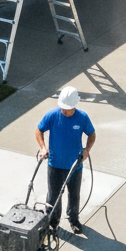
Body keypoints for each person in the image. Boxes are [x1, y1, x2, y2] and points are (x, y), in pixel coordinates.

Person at [35, 85, 96, 235]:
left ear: (75, 105)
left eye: (68, 108)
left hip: (75, 165)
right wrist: (43, 147)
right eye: (63, 107)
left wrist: (87, 149)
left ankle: (73, 219)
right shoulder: (53, 115)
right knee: (53, 195)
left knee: (74, 194)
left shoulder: (82, 117)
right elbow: (39, 130)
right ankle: (52, 222)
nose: (65, 111)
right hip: (55, 164)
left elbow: (92, 134)